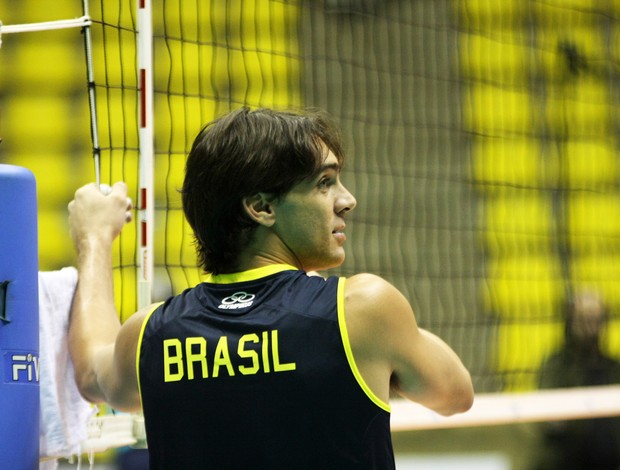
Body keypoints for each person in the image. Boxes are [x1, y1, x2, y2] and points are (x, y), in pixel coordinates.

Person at [68, 107, 473, 469]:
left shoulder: (149, 332)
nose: (347, 200)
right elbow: (455, 394)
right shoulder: (360, 309)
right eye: (325, 182)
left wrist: (95, 238)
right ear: (261, 207)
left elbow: (90, 375)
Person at [532, 289, 620, 470]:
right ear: (570, 322)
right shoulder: (556, 367)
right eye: (583, 319)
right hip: (566, 462)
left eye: (595, 319)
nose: (590, 326)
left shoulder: (613, 368)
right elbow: (549, 423)